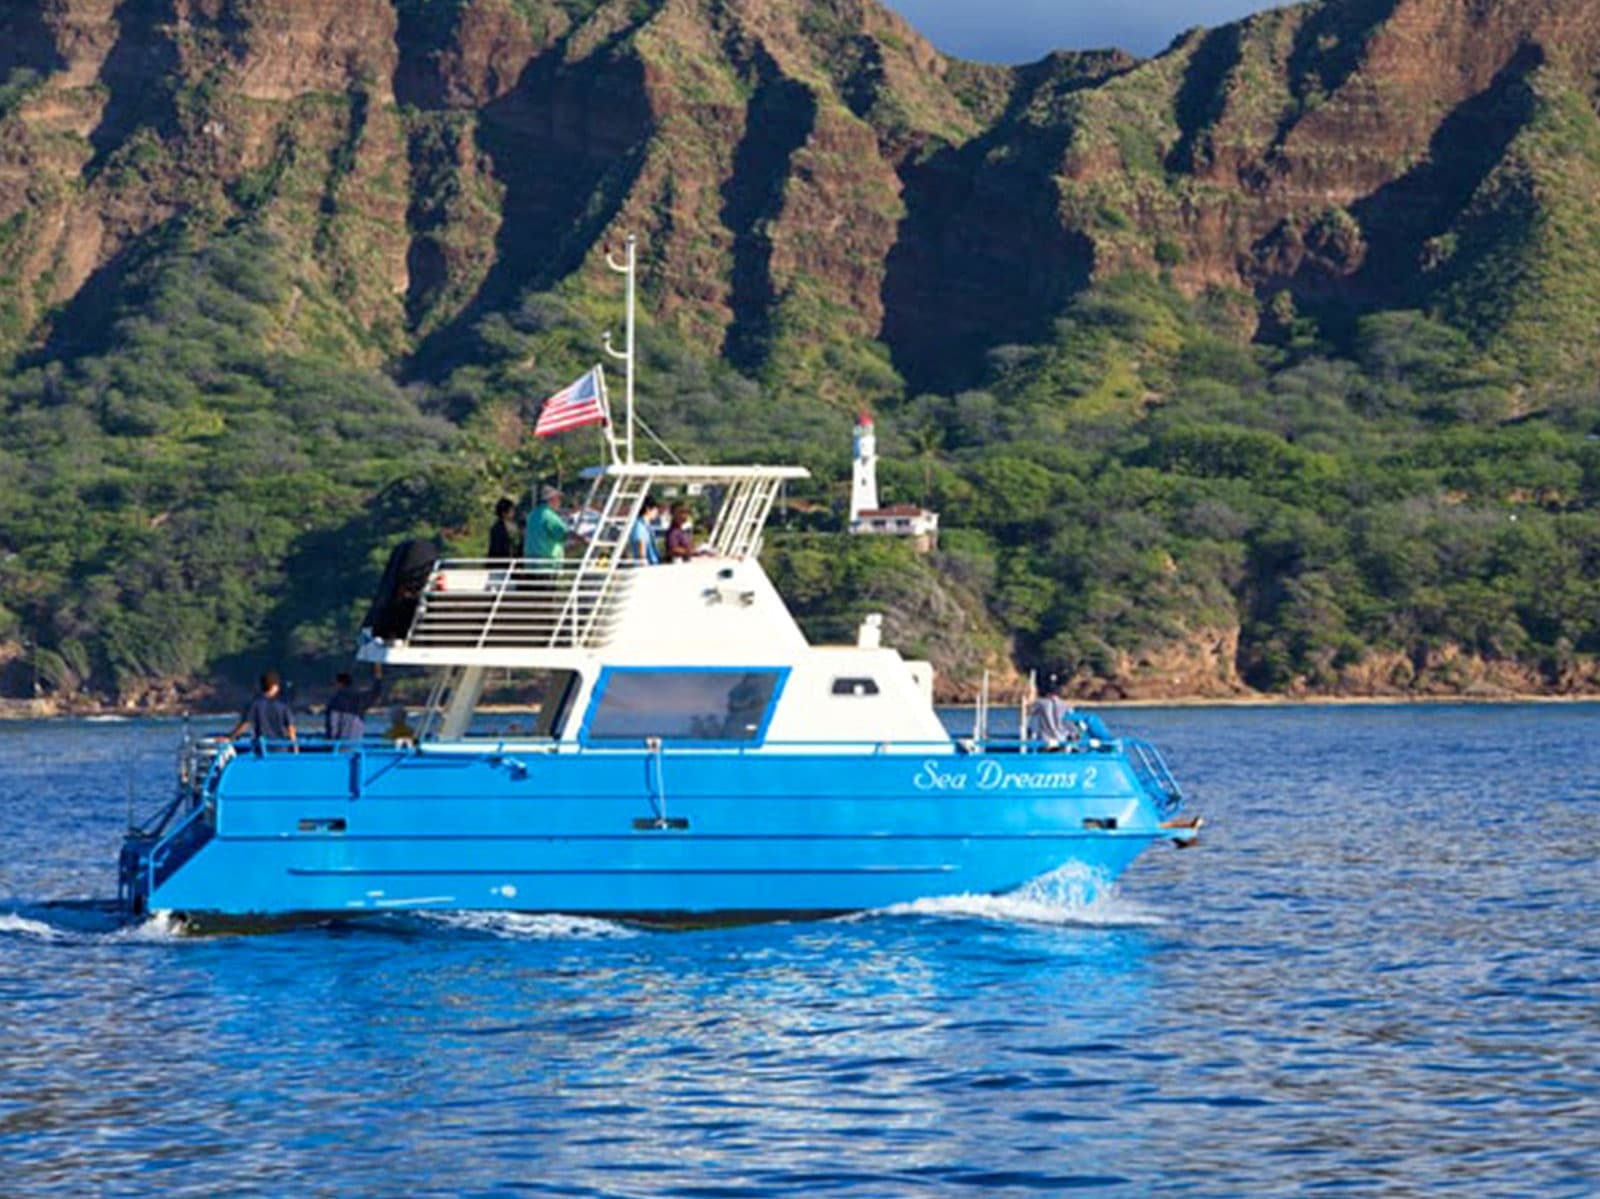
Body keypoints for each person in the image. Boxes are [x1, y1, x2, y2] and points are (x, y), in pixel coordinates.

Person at [230, 670, 297, 750]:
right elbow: (290, 729)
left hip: (261, 748)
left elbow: (244, 725)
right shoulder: (283, 705)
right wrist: (295, 748)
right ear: (274, 686)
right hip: (280, 747)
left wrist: (230, 738)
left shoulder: (254, 704)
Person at [325, 666, 382, 741]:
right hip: (355, 745)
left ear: (339, 684)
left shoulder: (335, 700)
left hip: (339, 747)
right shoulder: (361, 697)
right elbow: (375, 693)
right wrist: (378, 677)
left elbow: (333, 727)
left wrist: (330, 740)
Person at [1028, 679, 1080, 751]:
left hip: (1046, 740)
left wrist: (1032, 693)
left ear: (1047, 693)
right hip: (1062, 738)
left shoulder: (1042, 703)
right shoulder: (1065, 705)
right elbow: (1074, 721)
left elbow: (1029, 710)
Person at [523, 484, 568, 562]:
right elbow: (564, 534)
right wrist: (583, 540)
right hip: (547, 562)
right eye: (559, 498)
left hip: (530, 561)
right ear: (553, 499)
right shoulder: (549, 515)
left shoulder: (532, 514)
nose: (560, 502)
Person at [627, 496, 661, 564]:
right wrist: (643, 564)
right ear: (648, 509)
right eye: (655, 509)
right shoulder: (639, 526)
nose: (657, 512)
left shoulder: (646, 526)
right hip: (647, 567)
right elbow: (641, 545)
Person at [487, 497, 519, 561]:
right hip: (501, 563)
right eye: (511, 510)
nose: (513, 513)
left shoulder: (499, 527)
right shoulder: (498, 529)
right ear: (504, 513)